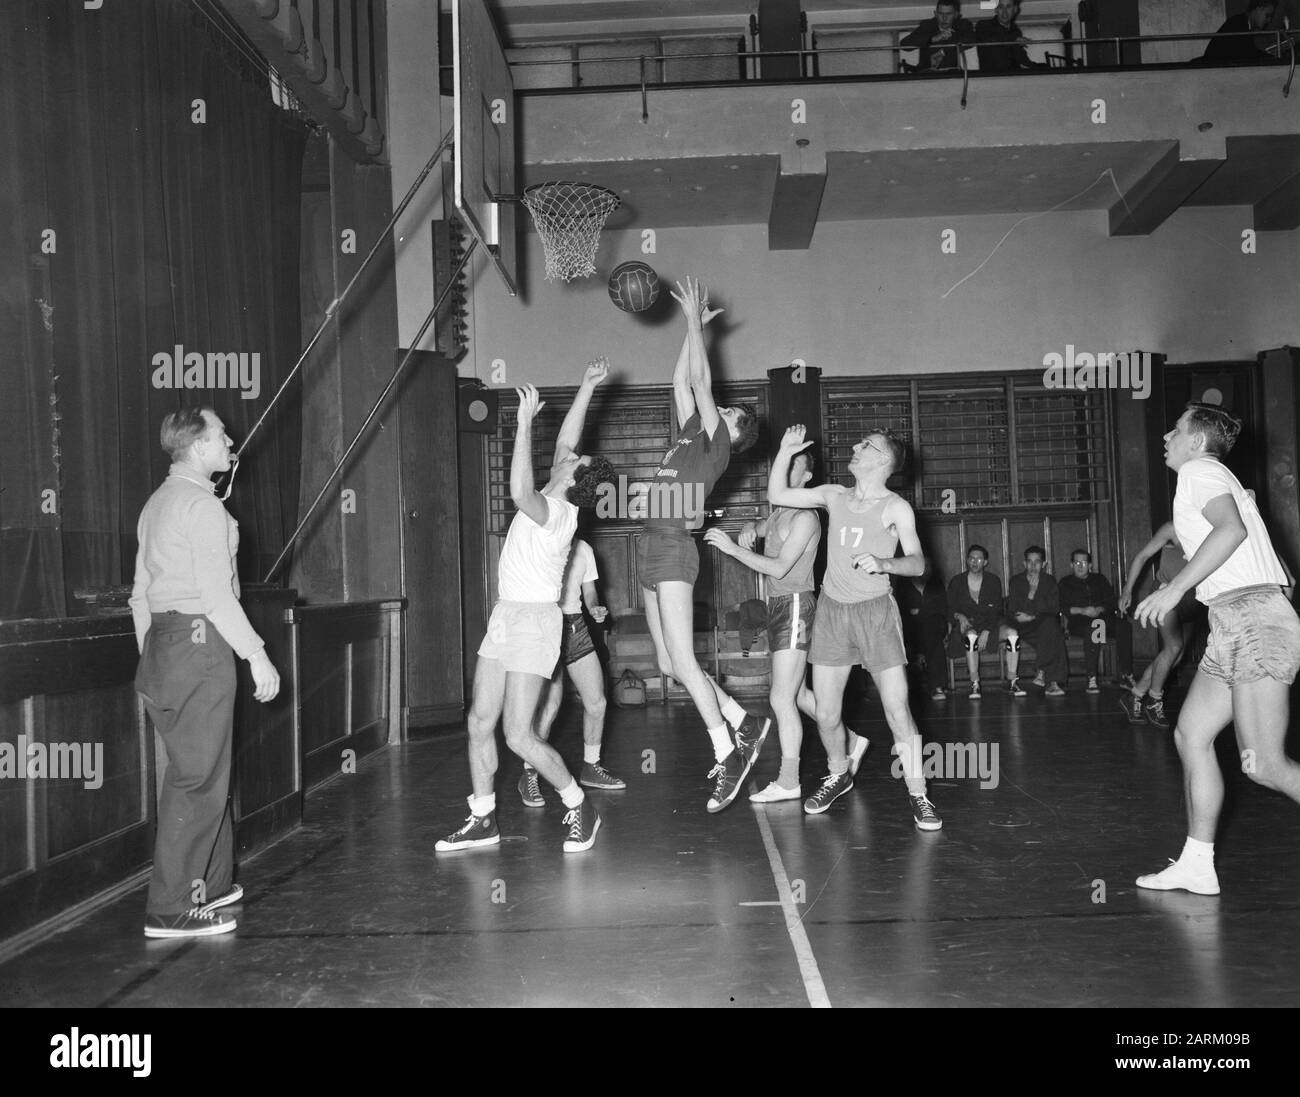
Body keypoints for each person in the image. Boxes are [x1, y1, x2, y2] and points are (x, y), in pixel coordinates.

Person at [437, 362, 617, 854]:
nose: (569, 454)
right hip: (506, 615)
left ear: (573, 478)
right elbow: (567, 438)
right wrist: (586, 385)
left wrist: (521, 423)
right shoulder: (560, 482)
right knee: (479, 722)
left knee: (518, 734)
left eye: (574, 460)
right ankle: (483, 818)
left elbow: (518, 492)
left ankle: (580, 804)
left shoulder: (556, 513)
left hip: (538, 623)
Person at [1134, 403, 1300, 895]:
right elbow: (1283, 578)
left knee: (1264, 765)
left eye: (1175, 428)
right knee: (1191, 734)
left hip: (1249, 619)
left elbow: (1232, 531)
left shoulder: (1199, 471)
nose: (1167, 434)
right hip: (1234, 619)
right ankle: (1197, 864)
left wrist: (1172, 589)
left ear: (1197, 442)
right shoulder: (1217, 477)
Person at [129, 406, 281, 938]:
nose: (230, 438)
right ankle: (171, 908)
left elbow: (139, 597)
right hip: (201, 644)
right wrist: (256, 653)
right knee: (198, 779)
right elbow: (217, 596)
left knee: (205, 770)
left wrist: (155, 655)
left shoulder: (158, 503)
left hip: (168, 647)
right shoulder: (202, 507)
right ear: (196, 447)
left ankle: (210, 886)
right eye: (220, 434)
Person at [768, 425, 942, 829]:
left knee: (897, 710)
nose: (855, 447)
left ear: (883, 461)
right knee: (827, 714)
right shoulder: (833, 494)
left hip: (876, 613)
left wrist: (885, 563)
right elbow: (778, 494)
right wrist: (784, 450)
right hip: (832, 612)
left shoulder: (896, 507)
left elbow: (918, 564)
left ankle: (919, 795)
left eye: (866, 445)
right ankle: (837, 772)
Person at [638, 277, 764, 814]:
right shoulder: (692, 430)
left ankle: (726, 755)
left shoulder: (717, 448)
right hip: (649, 547)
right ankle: (744, 721)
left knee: (685, 661)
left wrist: (692, 321)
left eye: (733, 414)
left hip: (673, 546)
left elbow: (705, 390)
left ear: (734, 433)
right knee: (667, 664)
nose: (725, 410)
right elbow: (681, 382)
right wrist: (692, 337)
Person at [704, 447, 869, 804]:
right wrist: (750, 527)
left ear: (806, 478)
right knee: (795, 694)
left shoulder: (807, 517)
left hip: (796, 605)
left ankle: (789, 780)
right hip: (778, 606)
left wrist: (733, 550)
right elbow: (762, 527)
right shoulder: (778, 512)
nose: (783, 470)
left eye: (793, 464)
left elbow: (779, 567)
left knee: (779, 697)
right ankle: (851, 741)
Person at [521, 537, 625, 807]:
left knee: (597, 701)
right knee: (550, 705)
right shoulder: (541, 543)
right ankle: (529, 773)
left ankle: (591, 766)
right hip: (546, 624)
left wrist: (594, 608)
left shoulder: (584, 549)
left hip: (576, 626)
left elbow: (589, 592)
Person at [1117, 523, 1203, 730]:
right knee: (1173, 647)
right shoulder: (1173, 528)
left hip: (1193, 598)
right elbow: (1142, 556)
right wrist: (1128, 590)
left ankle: (1135, 695)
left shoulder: (1211, 527)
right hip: (1166, 595)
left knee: (1177, 654)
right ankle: (1155, 700)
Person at [945, 545, 1015, 699]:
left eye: (978, 559)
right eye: (971, 558)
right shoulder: (957, 581)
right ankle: (974, 683)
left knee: (1013, 634)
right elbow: (949, 608)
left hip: (990, 624)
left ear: (985, 562)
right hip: (966, 626)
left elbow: (997, 610)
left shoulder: (993, 581)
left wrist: (987, 630)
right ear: (967, 560)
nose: (974, 562)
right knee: (971, 635)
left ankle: (1012, 680)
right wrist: (959, 616)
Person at [1058, 549, 1133, 693]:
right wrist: (1082, 610)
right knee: (1093, 628)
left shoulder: (1100, 580)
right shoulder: (1065, 583)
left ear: (1090, 565)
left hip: (1103, 618)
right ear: (1071, 565)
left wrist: (1099, 609)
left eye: (1084, 562)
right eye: (1077, 562)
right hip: (1080, 623)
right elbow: (1061, 607)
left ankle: (1126, 675)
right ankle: (1091, 677)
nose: (1080, 566)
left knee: (1124, 626)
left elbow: (1111, 602)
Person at [1005, 545, 1068, 698]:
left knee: (1051, 628)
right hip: (1022, 626)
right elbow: (1015, 611)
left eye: (1037, 562)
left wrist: (1033, 614)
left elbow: (1053, 608)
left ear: (1044, 564)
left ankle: (1042, 672)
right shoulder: (1016, 581)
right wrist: (1031, 593)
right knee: (1053, 632)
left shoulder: (1049, 581)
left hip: (1041, 624)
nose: (1033, 566)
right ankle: (1051, 681)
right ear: (1024, 564)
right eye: (1030, 562)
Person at [894, 562, 950, 702]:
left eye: (927, 566)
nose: (923, 570)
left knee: (931, 628)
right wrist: (921, 613)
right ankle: (935, 685)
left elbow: (943, 609)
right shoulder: (903, 586)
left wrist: (919, 612)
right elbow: (900, 610)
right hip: (911, 629)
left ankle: (936, 684)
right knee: (925, 632)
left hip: (935, 627)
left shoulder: (936, 585)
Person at [900, 1, 977, 73]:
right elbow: (904, 45)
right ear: (935, 14)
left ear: (956, 15)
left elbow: (972, 40)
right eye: (941, 13)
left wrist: (943, 52)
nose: (944, 18)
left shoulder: (963, 25)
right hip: (926, 74)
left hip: (952, 74)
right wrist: (932, 39)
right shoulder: (927, 26)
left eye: (948, 14)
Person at [976, 0, 1043, 73]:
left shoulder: (1015, 30)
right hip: (991, 78)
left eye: (1008, 7)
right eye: (1001, 7)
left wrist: (1041, 68)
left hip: (1013, 77)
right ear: (996, 9)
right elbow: (990, 39)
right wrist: (1014, 39)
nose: (1004, 12)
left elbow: (1021, 59)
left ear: (1015, 9)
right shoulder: (983, 25)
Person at [1202, 1, 1280, 64]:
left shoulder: (1242, 22)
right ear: (1258, 9)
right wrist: (1271, 57)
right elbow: (1249, 54)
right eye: (1267, 15)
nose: (1269, 20)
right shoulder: (1238, 24)